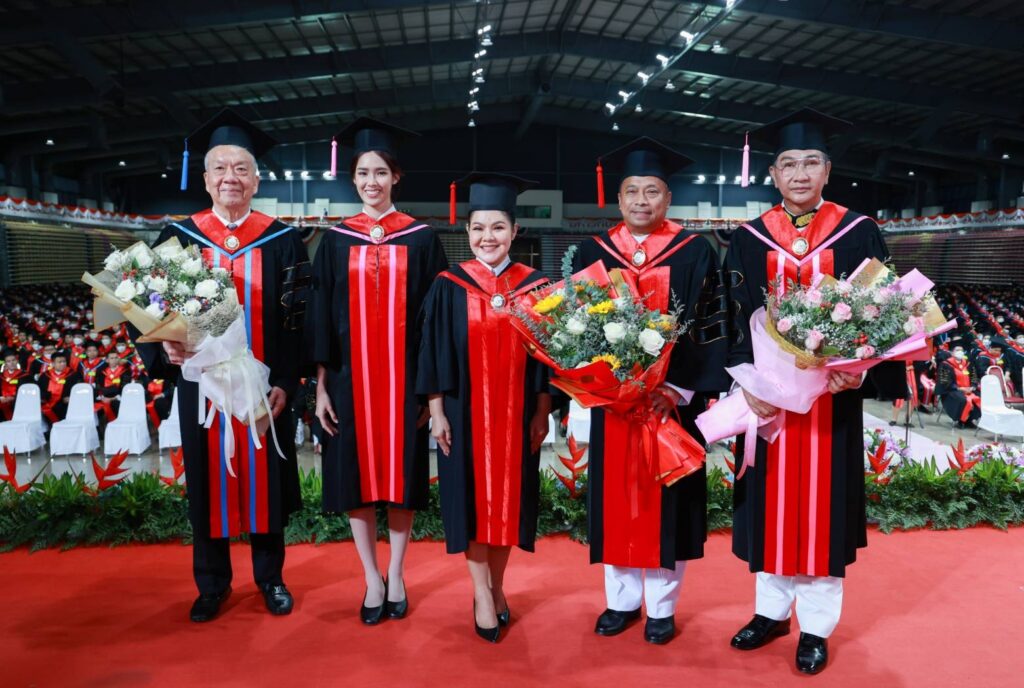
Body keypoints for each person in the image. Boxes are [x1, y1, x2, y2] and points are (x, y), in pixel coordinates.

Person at [725, 109, 904, 674]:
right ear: (773, 175)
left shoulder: (860, 231)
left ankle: (817, 628)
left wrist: (863, 370)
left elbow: (887, 311)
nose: (799, 174)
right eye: (788, 164)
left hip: (833, 405)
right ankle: (771, 613)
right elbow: (728, 318)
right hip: (768, 403)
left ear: (827, 170)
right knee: (768, 508)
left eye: (810, 163)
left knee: (823, 512)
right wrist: (744, 383)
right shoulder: (748, 239)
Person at [137, 109, 310, 623]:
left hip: (264, 388)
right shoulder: (178, 238)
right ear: (205, 177)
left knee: (266, 479)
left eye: (241, 169)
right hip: (202, 389)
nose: (230, 177)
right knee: (207, 482)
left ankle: (270, 578)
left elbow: (301, 321)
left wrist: (287, 383)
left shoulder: (282, 240)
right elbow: (145, 306)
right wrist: (164, 350)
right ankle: (211, 584)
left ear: (256, 180)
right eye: (220, 168)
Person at [572, 137, 730, 645]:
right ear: (618, 199)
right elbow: (573, 329)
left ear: (668, 198)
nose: (642, 201)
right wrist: (602, 384)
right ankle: (620, 602)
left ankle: (662, 608)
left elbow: (712, 327)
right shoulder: (594, 252)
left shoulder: (696, 251)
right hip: (614, 407)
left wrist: (679, 389)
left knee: (670, 503)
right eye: (632, 192)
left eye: (652, 191)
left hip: (671, 408)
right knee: (616, 500)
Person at [309, 117, 447, 625]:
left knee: (402, 477)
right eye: (363, 173)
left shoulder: (422, 239)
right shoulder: (334, 241)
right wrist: (321, 387)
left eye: (381, 172)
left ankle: (397, 572)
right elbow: (320, 317)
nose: (372, 182)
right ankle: (370, 577)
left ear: (396, 177)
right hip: (349, 384)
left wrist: (429, 392)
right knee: (355, 478)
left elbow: (434, 321)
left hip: (404, 385)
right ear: (353, 179)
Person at [417, 173, 551, 642]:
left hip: (517, 417)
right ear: (467, 231)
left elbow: (546, 361)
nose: (487, 237)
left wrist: (542, 412)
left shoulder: (536, 287)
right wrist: (436, 412)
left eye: (497, 227)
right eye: (478, 228)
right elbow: (432, 353)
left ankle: (497, 586)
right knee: (470, 502)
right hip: (462, 415)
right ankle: (480, 594)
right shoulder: (449, 285)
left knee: (510, 504)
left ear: (515, 231)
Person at [936, 341, 981, 428]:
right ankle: (961, 421)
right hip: (951, 390)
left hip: (968, 390)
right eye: (957, 350)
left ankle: (970, 420)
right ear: (952, 352)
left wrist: (973, 387)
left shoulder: (968, 364)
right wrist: (959, 388)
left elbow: (974, 376)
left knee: (980, 397)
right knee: (962, 399)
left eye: (961, 350)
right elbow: (944, 382)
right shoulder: (945, 364)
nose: (960, 352)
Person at [40, 350, 80, 423]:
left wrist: (72, 397)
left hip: (66, 405)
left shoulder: (73, 375)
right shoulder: (45, 375)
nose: (62, 364)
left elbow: (79, 389)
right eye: (59, 362)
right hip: (48, 405)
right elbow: (40, 390)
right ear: (53, 363)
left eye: (64, 361)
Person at [1, 349, 30, 420]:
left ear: (17, 361)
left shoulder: (25, 376)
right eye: (8, 361)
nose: (11, 363)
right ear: (5, 363)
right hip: (3, 405)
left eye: (13, 360)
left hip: (20, 404)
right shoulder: (1, 376)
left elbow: (28, 391)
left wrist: (13, 397)